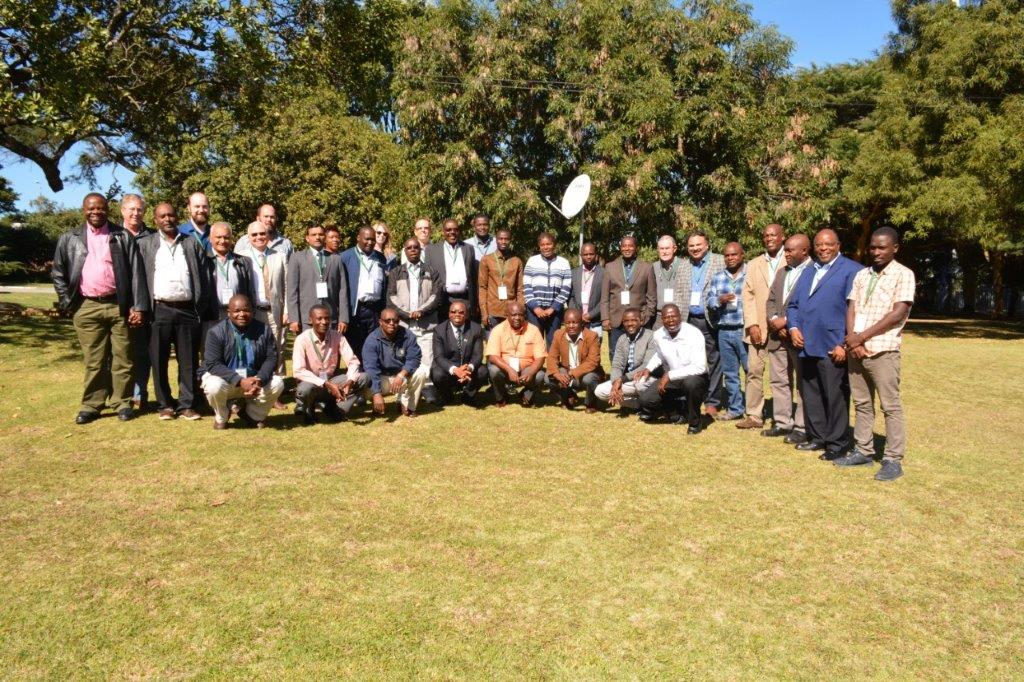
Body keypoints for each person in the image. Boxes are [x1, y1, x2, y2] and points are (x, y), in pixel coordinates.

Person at [52, 193, 148, 424]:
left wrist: (138, 307)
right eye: (91, 209)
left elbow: (136, 273)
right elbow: (58, 273)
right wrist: (68, 302)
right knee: (94, 360)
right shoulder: (69, 238)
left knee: (123, 358)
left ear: (108, 209)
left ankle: (122, 402)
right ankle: (92, 405)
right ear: (84, 210)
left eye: (100, 209)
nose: (96, 213)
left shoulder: (121, 236)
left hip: (118, 305)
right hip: (86, 307)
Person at [835, 227, 915, 481]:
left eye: (882, 247)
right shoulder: (862, 274)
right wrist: (852, 339)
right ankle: (863, 450)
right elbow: (851, 308)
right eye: (873, 247)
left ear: (895, 248)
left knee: (890, 406)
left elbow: (898, 313)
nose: (876, 252)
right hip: (856, 350)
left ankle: (892, 459)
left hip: (883, 349)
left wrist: (862, 336)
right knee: (862, 404)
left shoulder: (904, 274)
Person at [786, 228, 863, 460]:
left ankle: (837, 443)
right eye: (819, 244)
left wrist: (844, 344)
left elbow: (856, 311)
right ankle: (817, 437)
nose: (823, 248)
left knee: (835, 396)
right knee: (812, 394)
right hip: (806, 343)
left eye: (828, 244)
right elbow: (793, 305)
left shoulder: (852, 270)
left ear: (838, 245)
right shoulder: (809, 270)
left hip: (833, 345)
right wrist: (793, 327)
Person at [137, 202, 210, 421]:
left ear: (177, 217)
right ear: (155, 219)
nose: (167, 219)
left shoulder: (190, 243)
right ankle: (165, 405)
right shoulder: (146, 244)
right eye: (162, 216)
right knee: (158, 360)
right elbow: (139, 279)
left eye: (171, 215)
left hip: (187, 310)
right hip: (159, 309)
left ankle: (186, 405)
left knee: (188, 361)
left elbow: (203, 277)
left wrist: (200, 306)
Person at [200, 295, 284, 429]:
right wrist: (239, 380)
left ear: (253, 311)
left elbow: (271, 358)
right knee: (213, 386)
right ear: (229, 313)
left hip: (254, 381)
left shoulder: (264, 330)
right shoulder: (215, 333)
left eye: (246, 310)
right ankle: (222, 416)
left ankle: (252, 415)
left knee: (277, 383)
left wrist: (259, 380)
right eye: (237, 311)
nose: (242, 314)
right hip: (226, 380)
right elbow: (213, 364)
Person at [763, 233, 812, 442]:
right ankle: (783, 422)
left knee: (802, 382)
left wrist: (789, 323)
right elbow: (771, 299)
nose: (787, 254)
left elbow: (810, 305)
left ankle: (801, 426)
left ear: (805, 251)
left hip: (799, 335)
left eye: (791, 250)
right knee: (779, 380)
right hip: (778, 336)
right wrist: (775, 320)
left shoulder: (813, 272)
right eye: (787, 250)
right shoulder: (783, 272)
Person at [737, 223, 785, 430]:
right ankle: (754, 416)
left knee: (781, 375)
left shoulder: (793, 259)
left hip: (783, 328)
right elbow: (747, 296)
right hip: (758, 329)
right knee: (754, 372)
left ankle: (783, 418)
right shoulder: (755, 263)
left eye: (773, 235)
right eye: (766, 236)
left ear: (783, 237)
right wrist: (752, 324)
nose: (769, 239)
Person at [671, 232, 725, 417]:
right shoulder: (683, 265)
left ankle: (713, 401)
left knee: (714, 360)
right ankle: (694, 396)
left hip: (711, 318)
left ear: (707, 245)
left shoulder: (720, 261)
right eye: (691, 245)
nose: (695, 248)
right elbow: (678, 292)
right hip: (689, 320)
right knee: (691, 360)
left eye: (698, 245)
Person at [635, 304, 709, 433]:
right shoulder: (658, 335)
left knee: (691, 384)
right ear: (662, 319)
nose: (670, 320)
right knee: (646, 400)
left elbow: (700, 367)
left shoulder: (694, 334)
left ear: (680, 317)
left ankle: (695, 423)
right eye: (666, 317)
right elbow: (660, 355)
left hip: (696, 377)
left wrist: (669, 375)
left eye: (673, 316)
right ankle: (678, 411)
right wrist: (648, 369)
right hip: (674, 378)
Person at [292, 304, 369, 424]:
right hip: (313, 384)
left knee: (364, 378)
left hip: (332, 381)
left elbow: (353, 361)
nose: (324, 322)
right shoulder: (302, 339)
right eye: (319, 318)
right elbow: (298, 371)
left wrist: (350, 381)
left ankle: (336, 409)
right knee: (304, 388)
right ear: (310, 321)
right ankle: (309, 407)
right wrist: (326, 384)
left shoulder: (337, 336)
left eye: (327, 318)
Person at [388, 237, 442, 388]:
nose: (412, 250)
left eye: (415, 247)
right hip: (404, 326)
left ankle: (426, 388)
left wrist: (421, 312)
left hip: (426, 326)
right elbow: (391, 297)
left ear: (420, 250)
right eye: (409, 248)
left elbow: (436, 296)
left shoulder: (431, 272)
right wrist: (406, 314)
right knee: (404, 359)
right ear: (405, 251)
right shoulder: (396, 272)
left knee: (427, 360)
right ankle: (404, 390)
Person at [119, 193, 154, 411]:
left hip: (147, 305)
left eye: (139, 209)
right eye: (131, 209)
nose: (135, 213)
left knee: (142, 354)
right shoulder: (113, 235)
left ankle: (139, 395)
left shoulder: (152, 237)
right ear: (122, 210)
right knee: (120, 354)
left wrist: (141, 306)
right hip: (118, 304)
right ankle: (119, 396)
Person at [706, 242, 747, 421]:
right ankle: (735, 409)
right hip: (724, 330)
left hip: (744, 330)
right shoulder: (718, 277)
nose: (730, 258)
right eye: (727, 255)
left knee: (750, 371)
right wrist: (719, 300)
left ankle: (755, 410)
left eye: (734, 255)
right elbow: (709, 300)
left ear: (742, 255)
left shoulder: (750, 275)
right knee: (730, 373)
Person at [241, 220, 288, 375]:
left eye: (262, 233)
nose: (259, 237)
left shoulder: (280, 256)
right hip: (252, 312)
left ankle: (277, 387)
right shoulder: (242, 257)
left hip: (274, 311)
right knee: (253, 348)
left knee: (276, 348)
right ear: (248, 237)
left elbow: (287, 285)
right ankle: (255, 383)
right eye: (254, 234)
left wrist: (287, 310)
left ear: (268, 235)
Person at [361, 306, 427, 417]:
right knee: (367, 381)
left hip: (402, 377)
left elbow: (414, 358)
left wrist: (402, 374)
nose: (392, 323)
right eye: (387, 321)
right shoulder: (371, 340)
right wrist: (376, 393)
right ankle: (376, 404)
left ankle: (408, 405)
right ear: (380, 322)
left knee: (421, 372)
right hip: (382, 378)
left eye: (395, 321)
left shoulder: (408, 335)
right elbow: (371, 369)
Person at [286, 224, 349, 334]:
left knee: (331, 351)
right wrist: (294, 319)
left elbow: (342, 291)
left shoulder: (336, 259)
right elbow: (292, 291)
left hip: (330, 318)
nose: (317, 237)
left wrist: (343, 318)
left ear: (324, 237)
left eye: (320, 234)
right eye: (313, 234)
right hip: (306, 319)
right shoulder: (297, 258)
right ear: (307, 238)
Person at [485, 301, 547, 407]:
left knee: (540, 376)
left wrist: (531, 372)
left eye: (520, 314)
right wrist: (509, 369)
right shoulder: (498, 330)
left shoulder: (534, 330)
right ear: (507, 315)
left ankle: (526, 395)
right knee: (493, 370)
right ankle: (502, 398)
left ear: (525, 315)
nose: (517, 318)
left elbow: (541, 357)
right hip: (505, 369)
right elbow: (492, 356)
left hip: (526, 369)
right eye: (513, 315)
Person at [340, 226, 390, 360]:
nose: (370, 242)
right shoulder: (345, 257)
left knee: (375, 345)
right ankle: (359, 377)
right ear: (358, 238)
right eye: (367, 239)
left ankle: (373, 375)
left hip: (375, 309)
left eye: (373, 240)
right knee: (357, 347)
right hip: (356, 309)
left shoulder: (380, 258)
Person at [594, 308, 657, 411]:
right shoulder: (622, 339)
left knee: (640, 383)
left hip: (647, 378)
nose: (629, 323)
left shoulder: (651, 336)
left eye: (633, 320)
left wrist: (622, 380)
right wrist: (615, 383)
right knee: (600, 391)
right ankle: (639, 405)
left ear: (641, 321)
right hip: (627, 380)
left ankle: (651, 405)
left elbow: (646, 365)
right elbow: (617, 365)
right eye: (626, 321)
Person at [601, 235, 656, 352]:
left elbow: (651, 297)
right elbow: (605, 297)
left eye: (630, 246)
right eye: (624, 246)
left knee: (638, 354)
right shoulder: (610, 267)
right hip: (616, 321)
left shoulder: (647, 268)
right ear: (620, 248)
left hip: (639, 320)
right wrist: (605, 318)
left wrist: (645, 318)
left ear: (636, 248)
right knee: (615, 353)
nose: (627, 248)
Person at [204, 222, 256, 345]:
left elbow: (249, 290)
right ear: (210, 239)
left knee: (236, 350)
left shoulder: (243, 261)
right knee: (211, 352)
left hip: (237, 315)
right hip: (212, 315)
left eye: (226, 237)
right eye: (219, 237)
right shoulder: (203, 261)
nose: (223, 240)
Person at [545, 309, 603, 412]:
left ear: (581, 323)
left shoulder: (591, 336)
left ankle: (591, 403)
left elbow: (593, 361)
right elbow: (552, 357)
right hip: (567, 372)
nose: (571, 326)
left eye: (574, 322)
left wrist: (573, 373)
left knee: (589, 379)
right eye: (568, 323)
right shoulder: (558, 334)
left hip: (585, 373)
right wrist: (557, 374)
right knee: (548, 378)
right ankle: (568, 396)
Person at [431, 300, 487, 406]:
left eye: (461, 312)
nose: (457, 315)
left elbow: (478, 355)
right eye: (453, 312)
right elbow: (439, 357)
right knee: (436, 373)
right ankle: (447, 396)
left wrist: (469, 368)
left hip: (467, 371)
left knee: (483, 371)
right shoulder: (439, 330)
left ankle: (468, 396)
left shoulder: (476, 329)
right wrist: (455, 370)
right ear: (449, 314)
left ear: (466, 315)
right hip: (449, 371)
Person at [523, 232, 572, 345]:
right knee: (535, 345)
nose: (546, 247)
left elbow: (566, 289)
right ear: (539, 246)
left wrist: (553, 308)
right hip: (534, 312)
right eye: (543, 244)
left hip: (554, 312)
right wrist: (535, 308)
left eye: (548, 244)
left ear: (554, 245)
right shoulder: (532, 261)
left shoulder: (564, 263)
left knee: (554, 344)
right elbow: (526, 287)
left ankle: (552, 364)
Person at [424, 218, 478, 319]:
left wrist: (474, 303)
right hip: (443, 301)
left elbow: (473, 277)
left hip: (465, 300)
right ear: (443, 231)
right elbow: (427, 278)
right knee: (444, 332)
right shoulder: (432, 250)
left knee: (465, 332)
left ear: (459, 231)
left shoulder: (468, 248)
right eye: (448, 230)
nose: (452, 232)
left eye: (455, 229)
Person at [477, 228, 524, 329]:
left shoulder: (517, 261)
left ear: (510, 240)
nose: (503, 241)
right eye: (500, 239)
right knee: (493, 344)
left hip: (511, 312)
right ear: (496, 240)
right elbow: (482, 287)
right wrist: (484, 312)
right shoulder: (486, 260)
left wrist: (519, 311)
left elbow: (520, 289)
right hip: (492, 311)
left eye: (506, 239)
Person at [567, 242, 604, 340]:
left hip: (595, 322)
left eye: (591, 254)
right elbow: (571, 297)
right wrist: (578, 315)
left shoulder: (604, 273)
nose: (588, 257)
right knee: (577, 352)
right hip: (577, 321)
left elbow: (605, 299)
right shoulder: (573, 273)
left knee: (594, 353)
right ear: (581, 255)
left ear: (596, 255)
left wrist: (590, 315)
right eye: (585, 254)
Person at [653, 235, 681, 328]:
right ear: (658, 249)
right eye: (662, 248)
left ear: (674, 248)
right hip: (658, 317)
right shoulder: (653, 267)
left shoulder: (684, 266)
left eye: (667, 248)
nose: (664, 252)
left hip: (679, 316)